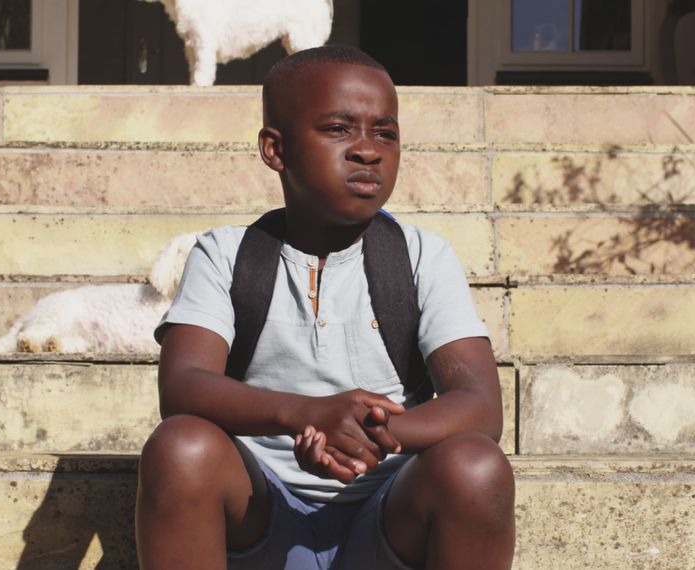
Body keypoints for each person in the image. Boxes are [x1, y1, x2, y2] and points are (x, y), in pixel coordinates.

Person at [135, 45, 515, 570]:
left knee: (477, 465)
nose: (367, 151)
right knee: (181, 447)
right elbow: (182, 385)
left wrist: (372, 436)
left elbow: (480, 405)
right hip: (259, 515)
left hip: (390, 518)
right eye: (339, 129)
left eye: (385, 133)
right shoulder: (225, 254)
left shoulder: (422, 255)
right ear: (276, 149)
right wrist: (306, 415)